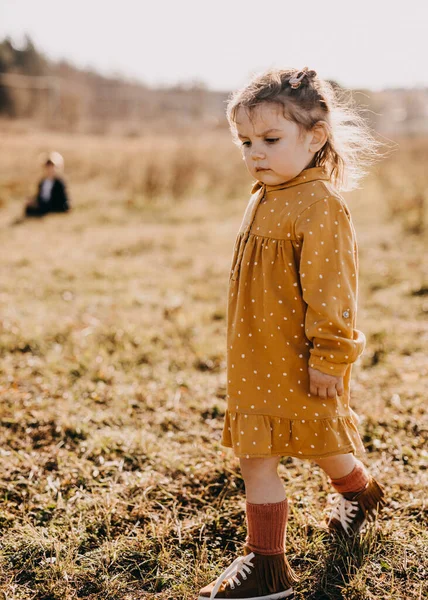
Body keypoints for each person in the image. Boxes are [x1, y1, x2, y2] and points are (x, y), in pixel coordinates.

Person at [198, 67, 385, 600]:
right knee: (273, 447)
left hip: (301, 355)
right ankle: (360, 492)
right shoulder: (266, 192)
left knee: (311, 434)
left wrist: (330, 355)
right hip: (258, 352)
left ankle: (267, 568)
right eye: (246, 141)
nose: (255, 152)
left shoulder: (319, 204)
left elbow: (333, 290)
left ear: (316, 136)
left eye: (271, 139)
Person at [25, 152, 70, 217]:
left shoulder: (59, 182)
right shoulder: (42, 182)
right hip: (43, 204)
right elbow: (40, 196)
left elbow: (63, 199)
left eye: (51, 167)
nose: (49, 170)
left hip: (54, 205)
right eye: (48, 167)